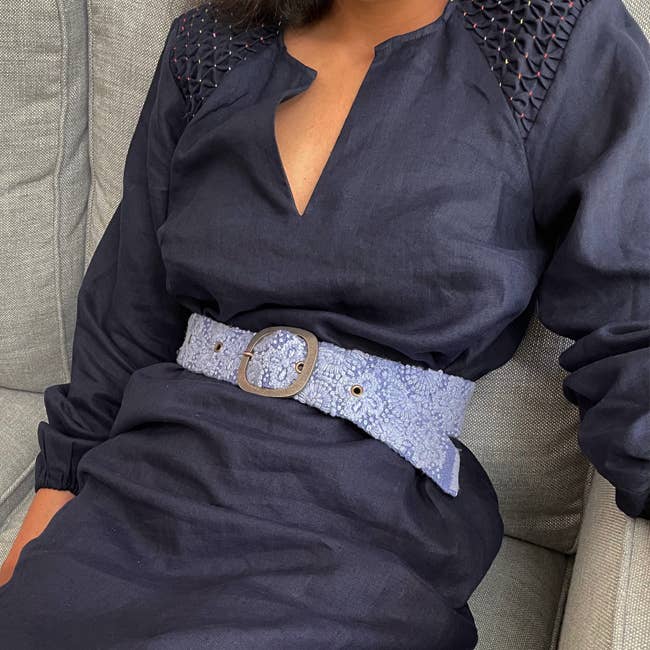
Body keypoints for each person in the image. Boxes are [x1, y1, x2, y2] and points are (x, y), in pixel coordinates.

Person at [0, 0, 648, 647]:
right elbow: (127, 313)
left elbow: (634, 323)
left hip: (367, 513)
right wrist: (46, 519)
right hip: (150, 482)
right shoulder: (206, 46)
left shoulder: (550, 41)